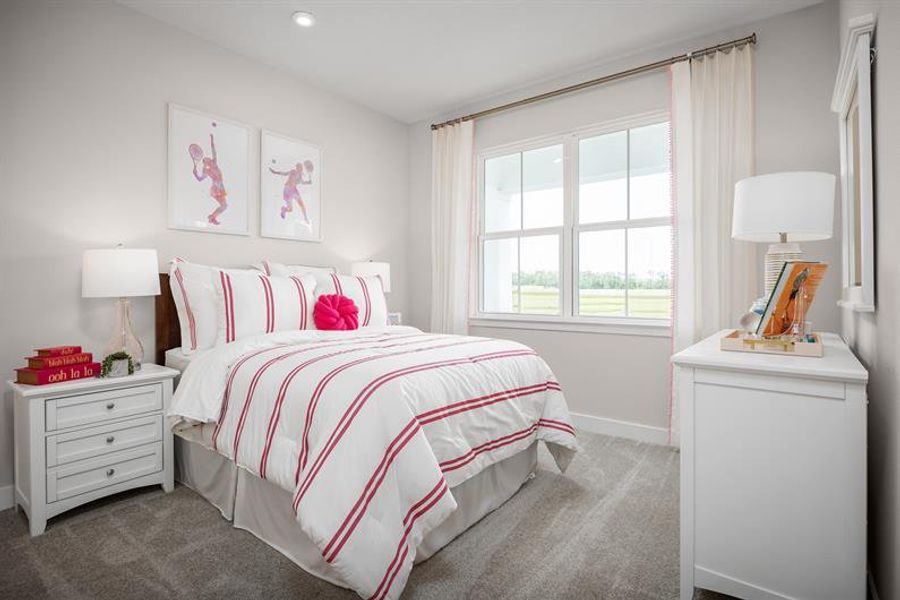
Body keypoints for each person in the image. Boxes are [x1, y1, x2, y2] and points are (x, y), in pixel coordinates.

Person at [189, 133, 227, 225]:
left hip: (220, 188)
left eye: (208, 158)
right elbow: (200, 179)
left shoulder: (214, 163)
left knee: (224, 206)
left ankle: (212, 217)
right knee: (224, 205)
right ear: (206, 163)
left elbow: (214, 151)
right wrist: (195, 174)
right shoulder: (207, 170)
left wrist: (212, 140)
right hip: (216, 189)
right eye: (206, 159)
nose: (208, 158)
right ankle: (212, 217)